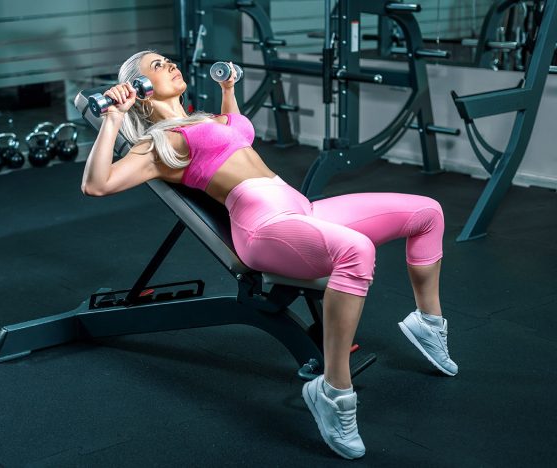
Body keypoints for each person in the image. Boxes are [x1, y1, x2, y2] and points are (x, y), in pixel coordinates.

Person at [81, 50, 458, 460]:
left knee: (426, 212)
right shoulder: (160, 143)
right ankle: (333, 392)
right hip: (261, 225)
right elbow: (98, 185)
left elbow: (236, 130)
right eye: (157, 66)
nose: (170, 64)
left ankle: (428, 324)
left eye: (168, 60)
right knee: (357, 250)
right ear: (140, 88)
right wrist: (114, 118)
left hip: (300, 208)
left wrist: (228, 92)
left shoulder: (203, 118)